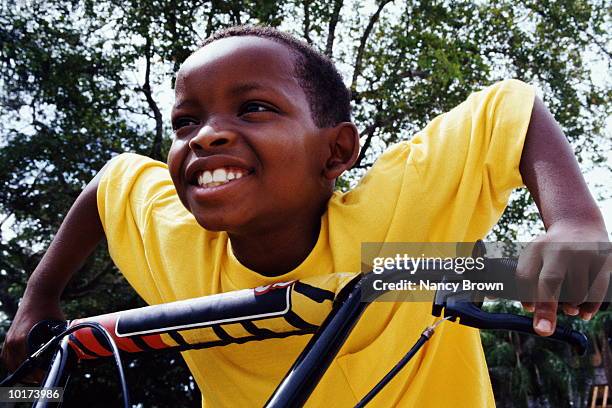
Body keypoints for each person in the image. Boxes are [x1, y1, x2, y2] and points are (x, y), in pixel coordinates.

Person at [1, 25, 609, 407]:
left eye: (255, 108)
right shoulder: (178, 239)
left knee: (465, 274)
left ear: (336, 152)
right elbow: (111, 186)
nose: (207, 135)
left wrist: (574, 223)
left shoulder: (391, 227)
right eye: (186, 121)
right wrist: (38, 299)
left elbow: (510, 108)